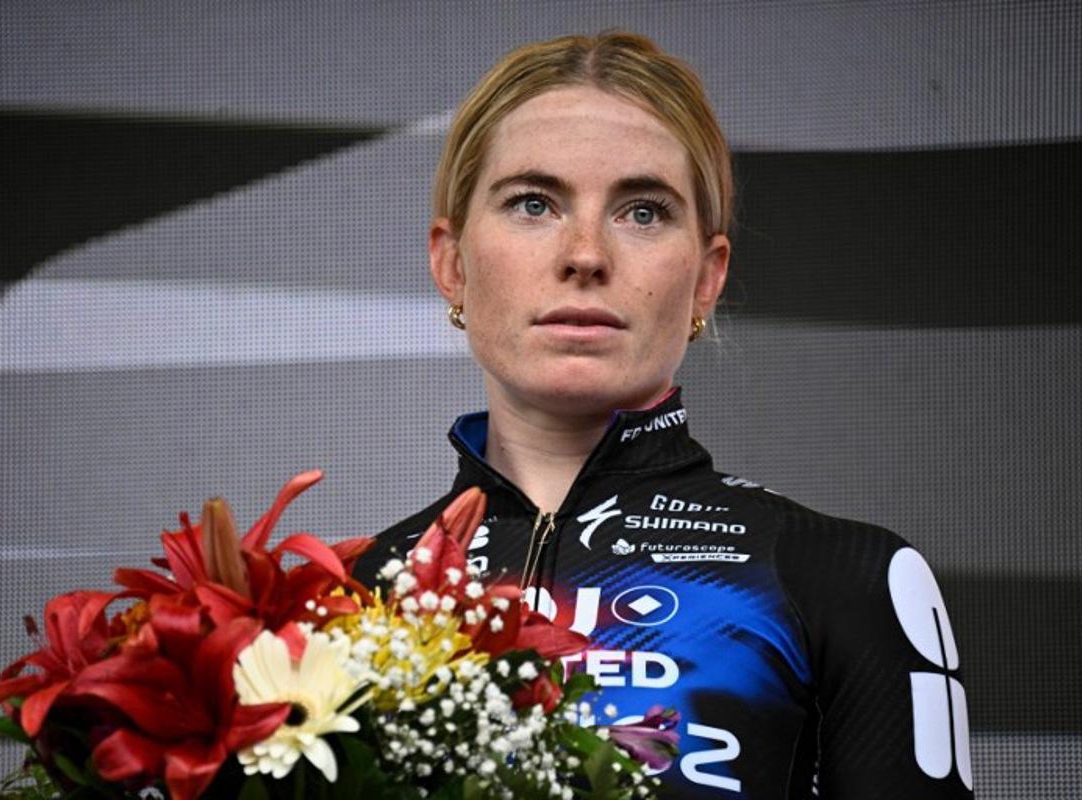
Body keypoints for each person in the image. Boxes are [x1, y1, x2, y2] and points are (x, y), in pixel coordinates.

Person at [355, 31, 974, 799]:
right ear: (452, 264)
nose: (585, 254)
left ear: (707, 279)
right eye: (533, 204)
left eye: (643, 212)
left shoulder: (846, 578)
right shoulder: (344, 599)